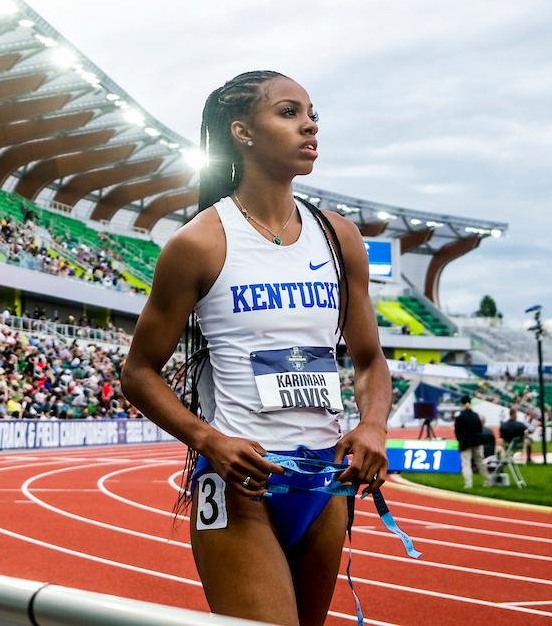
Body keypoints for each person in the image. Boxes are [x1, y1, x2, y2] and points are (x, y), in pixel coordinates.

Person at [119, 72, 392, 626]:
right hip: (242, 483)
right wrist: (208, 439)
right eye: (289, 113)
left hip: (324, 481)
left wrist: (373, 427)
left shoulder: (339, 237)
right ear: (242, 132)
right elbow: (139, 372)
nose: (310, 124)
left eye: (312, 113)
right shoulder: (199, 242)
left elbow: (369, 362)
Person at [454, 395, 490, 488]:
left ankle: (468, 484)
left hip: (465, 442)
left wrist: (460, 440)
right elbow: (480, 429)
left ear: (462, 404)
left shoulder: (460, 417)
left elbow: (457, 432)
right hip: (477, 441)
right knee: (480, 462)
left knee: (466, 464)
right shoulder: (475, 415)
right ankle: (487, 481)